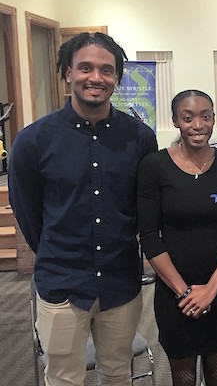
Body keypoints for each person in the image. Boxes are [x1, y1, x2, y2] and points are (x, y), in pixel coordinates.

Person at [8, 32, 157, 386]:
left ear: (117, 78)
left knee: (118, 374)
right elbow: (27, 211)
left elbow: (144, 205)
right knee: (63, 378)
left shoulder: (139, 138)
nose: (95, 77)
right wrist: (57, 248)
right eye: (85, 68)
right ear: (67, 73)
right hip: (62, 283)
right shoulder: (33, 140)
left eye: (106, 70)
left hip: (120, 282)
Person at [137, 90, 217, 386]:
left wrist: (211, 288)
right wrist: (184, 293)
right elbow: (149, 236)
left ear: (213, 119)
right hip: (174, 290)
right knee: (183, 377)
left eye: (205, 116)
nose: (198, 125)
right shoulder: (154, 166)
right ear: (175, 120)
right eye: (188, 118)